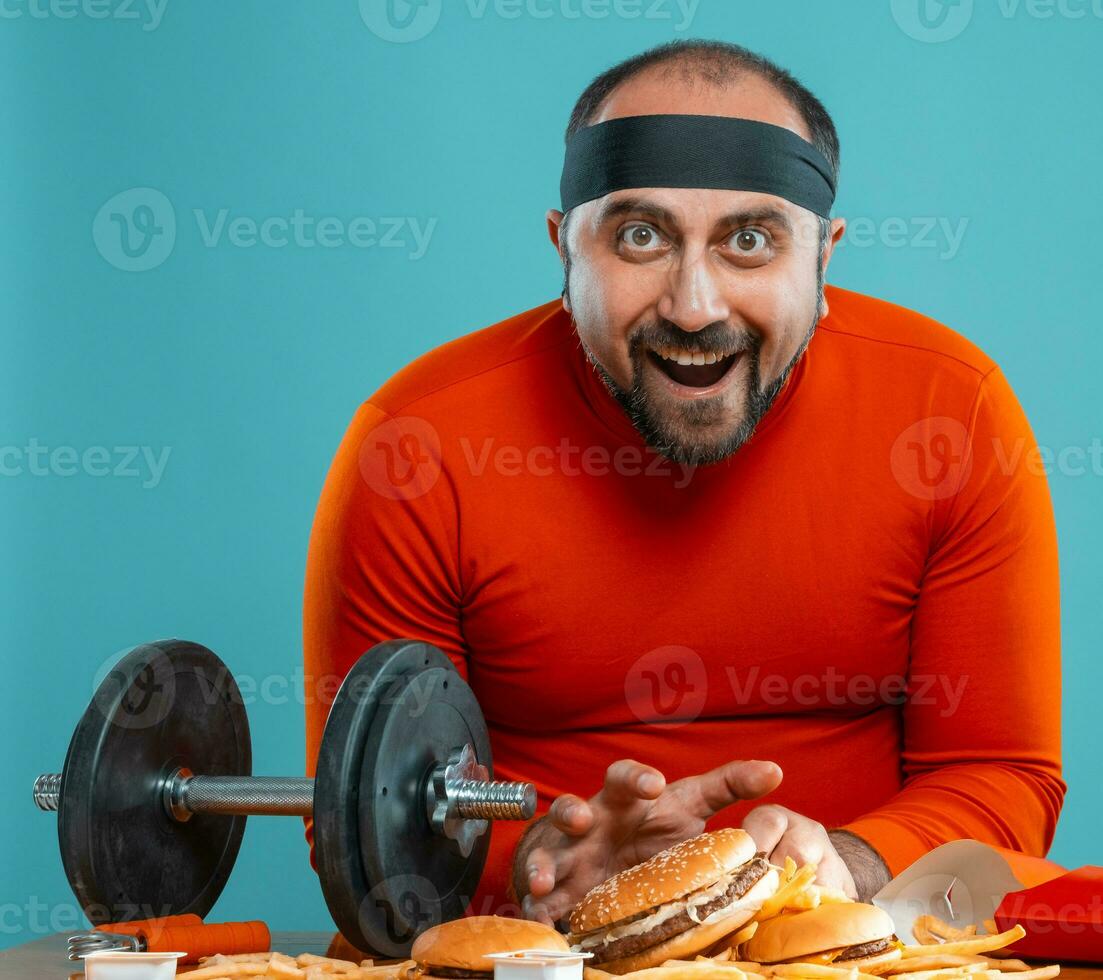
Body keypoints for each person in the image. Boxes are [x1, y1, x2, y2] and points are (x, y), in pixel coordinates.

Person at [303, 39, 1064, 929]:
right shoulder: (415, 446)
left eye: (750, 240)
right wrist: (535, 868)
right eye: (639, 235)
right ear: (563, 252)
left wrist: (850, 865)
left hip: (853, 944)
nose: (694, 306)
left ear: (825, 260)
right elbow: (356, 814)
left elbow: (1004, 774)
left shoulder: (951, 415)